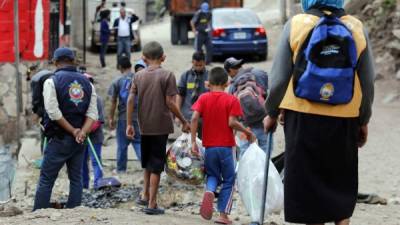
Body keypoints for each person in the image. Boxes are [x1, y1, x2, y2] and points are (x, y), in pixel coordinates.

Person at [263, 0, 375, 224]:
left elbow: (279, 80)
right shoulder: (356, 28)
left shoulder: (296, 25)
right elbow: (368, 82)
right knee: (340, 179)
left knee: (307, 184)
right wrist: (363, 120)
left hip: (302, 118)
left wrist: (272, 112)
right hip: (345, 119)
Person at [126, 41, 190, 215]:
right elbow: (170, 102)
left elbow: (130, 99)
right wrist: (183, 120)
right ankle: (152, 204)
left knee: (147, 163)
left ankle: (145, 194)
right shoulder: (167, 75)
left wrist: (129, 124)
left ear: (144, 58)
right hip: (160, 127)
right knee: (156, 166)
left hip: (144, 126)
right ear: (163, 57)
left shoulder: (138, 75)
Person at [33, 47, 98, 210]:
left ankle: (38, 213)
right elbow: (93, 114)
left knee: (47, 179)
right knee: (76, 178)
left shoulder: (51, 81)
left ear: (55, 62)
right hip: (79, 141)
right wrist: (82, 132)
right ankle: (74, 210)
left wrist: (73, 131)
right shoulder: (88, 83)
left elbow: (53, 112)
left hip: (59, 138)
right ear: (73, 61)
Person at [191, 67, 256, 224]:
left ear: (209, 82)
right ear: (226, 83)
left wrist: (193, 141)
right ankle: (223, 216)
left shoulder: (203, 98)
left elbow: (194, 118)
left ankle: (210, 191)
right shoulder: (231, 100)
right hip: (226, 147)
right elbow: (232, 122)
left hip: (209, 147)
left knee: (212, 175)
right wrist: (247, 131)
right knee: (228, 180)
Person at [225, 57, 269, 157]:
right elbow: (267, 95)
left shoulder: (232, 87)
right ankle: (266, 171)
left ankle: (246, 172)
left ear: (230, 72)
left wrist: (234, 132)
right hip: (263, 121)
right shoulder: (258, 73)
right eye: (238, 66)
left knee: (244, 152)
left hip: (245, 126)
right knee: (266, 151)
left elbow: (232, 113)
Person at [108, 56, 142, 173]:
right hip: (138, 117)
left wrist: (111, 118)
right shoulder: (139, 78)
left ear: (120, 67)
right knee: (138, 142)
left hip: (123, 117)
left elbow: (113, 101)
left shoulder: (117, 81)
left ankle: (121, 169)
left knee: (122, 145)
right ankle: (146, 166)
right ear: (130, 66)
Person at [176, 51, 209, 137]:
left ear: (205, 63)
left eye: (200, 65)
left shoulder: (209, 76)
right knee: (188, 143)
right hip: (188, 116)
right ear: (192, 62)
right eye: (196, 65)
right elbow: (180, 95)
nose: (198, 68)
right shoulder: (185, 76)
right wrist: (177, 115)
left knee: (203, 142)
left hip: (204, 117)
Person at [82, 74, 105, 189]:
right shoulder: (79, 100)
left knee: (95, 160)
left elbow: (98, 120)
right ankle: (84, 185)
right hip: (82, 137)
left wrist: (87, 130)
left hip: (94, 137)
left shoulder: (98, 100)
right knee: (82, 162)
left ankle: (98, 184)